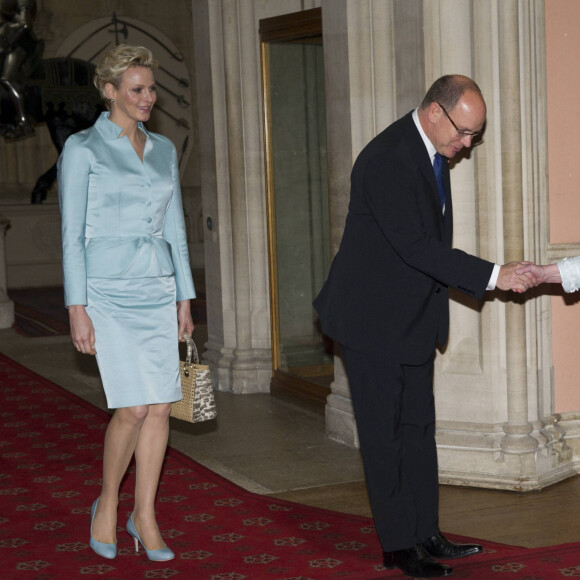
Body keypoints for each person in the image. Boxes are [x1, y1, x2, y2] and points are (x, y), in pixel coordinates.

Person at [313, 75, 537, 578]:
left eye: (475, 136)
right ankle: (398, 544)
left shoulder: (430, 149)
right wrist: (495, 275)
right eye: (464, 133)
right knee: (385, 435)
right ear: (436, 111)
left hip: (409, 317)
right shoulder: (389, 159)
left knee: (417, 429)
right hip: (371, 321)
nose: (467, 145)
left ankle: (426, 532)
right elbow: (416, 247)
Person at [58, 44, 195, 562]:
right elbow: (71, 235)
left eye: (151, 88)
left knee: (160, 405)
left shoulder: (164, 149)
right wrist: (77, 306)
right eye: (136, 89)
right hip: (107, 292)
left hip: (157, 287)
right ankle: (108, 504)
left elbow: (175, 227)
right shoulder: (83, 148)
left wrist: (184, 294)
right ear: (110, 91)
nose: (147, 97)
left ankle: (145, 515)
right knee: (133, 407)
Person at [0, 0, 41, 136]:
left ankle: (24, 121)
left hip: (21, 44)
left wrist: (7, 43)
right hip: (9, 41)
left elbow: (25, 25)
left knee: (7, 79)